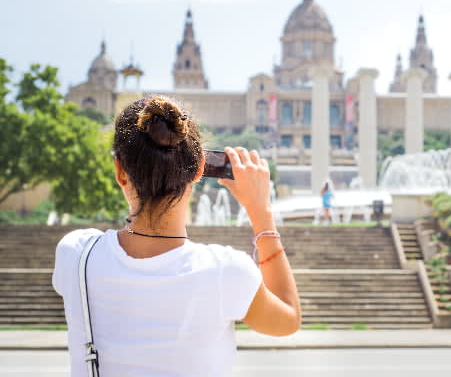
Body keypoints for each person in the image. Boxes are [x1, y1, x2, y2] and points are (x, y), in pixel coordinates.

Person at [52, 96, 300, 376]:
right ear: (198, 170)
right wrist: (261, 212)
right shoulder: (226, 271)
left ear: (120, 171)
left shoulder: (75, 253)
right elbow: (288, 319)